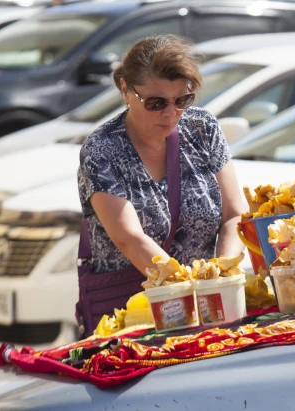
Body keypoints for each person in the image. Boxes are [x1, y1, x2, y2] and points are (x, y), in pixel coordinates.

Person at [77, 34, 245, 306]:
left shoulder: (202, 129)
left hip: (208, 303)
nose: (170, 113)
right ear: (125, 89)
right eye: (156, 103)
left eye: (181, 100)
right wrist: (189, 293)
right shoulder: (101, 149)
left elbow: (234, 214)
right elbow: (129, 239)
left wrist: (221, 277)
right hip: (132, 310)